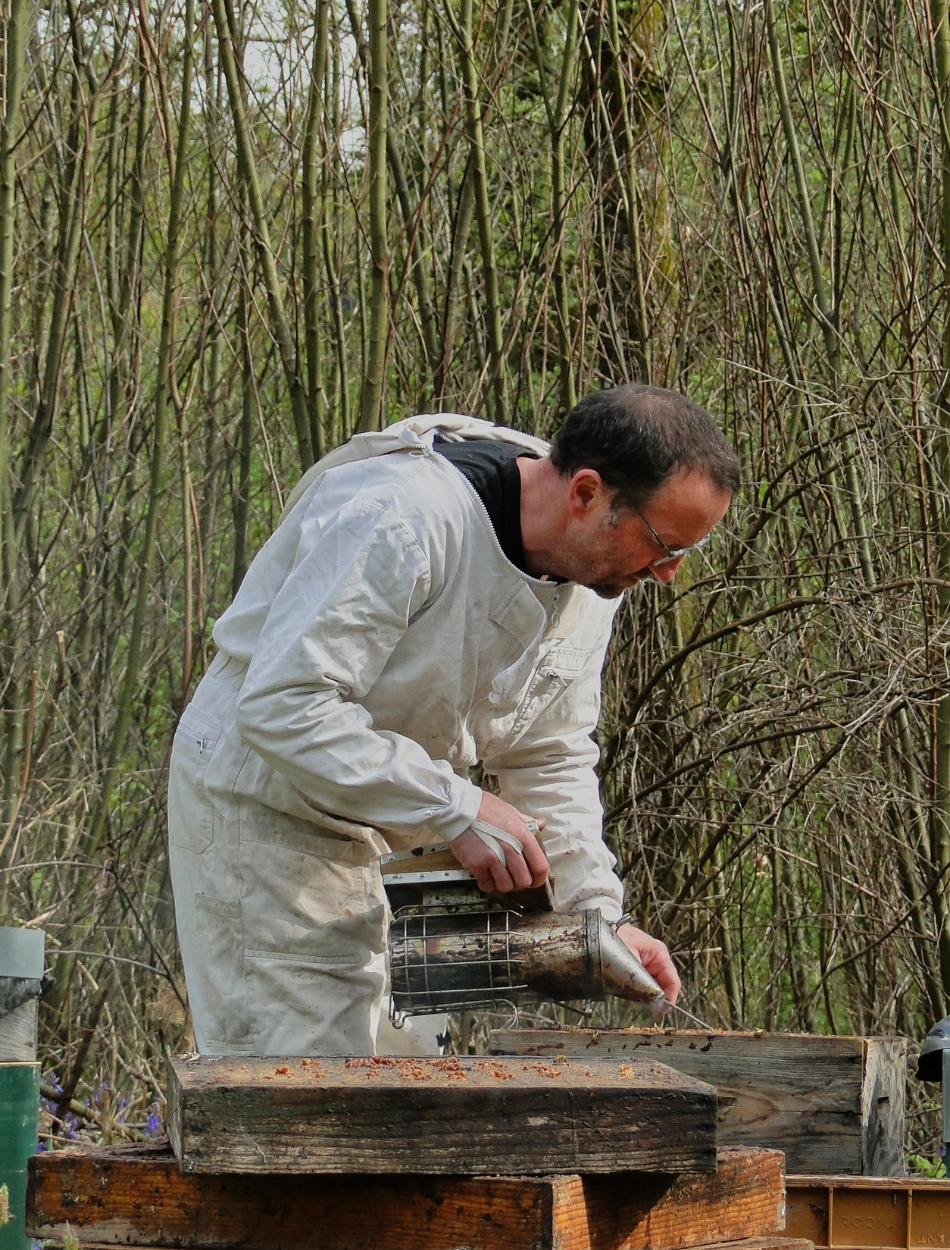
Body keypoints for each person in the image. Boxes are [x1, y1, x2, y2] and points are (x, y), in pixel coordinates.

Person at [167, 383, 740, 1056]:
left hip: (396, 833)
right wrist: (457, 806)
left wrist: (596, 916)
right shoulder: (403, 516)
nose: (669, 572)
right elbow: (284, 704)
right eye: (663, 543)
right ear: (587, 493)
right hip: (266, 809)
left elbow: (551, 751)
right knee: (306, 1097)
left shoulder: (595, 571)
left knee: (409, 1089)